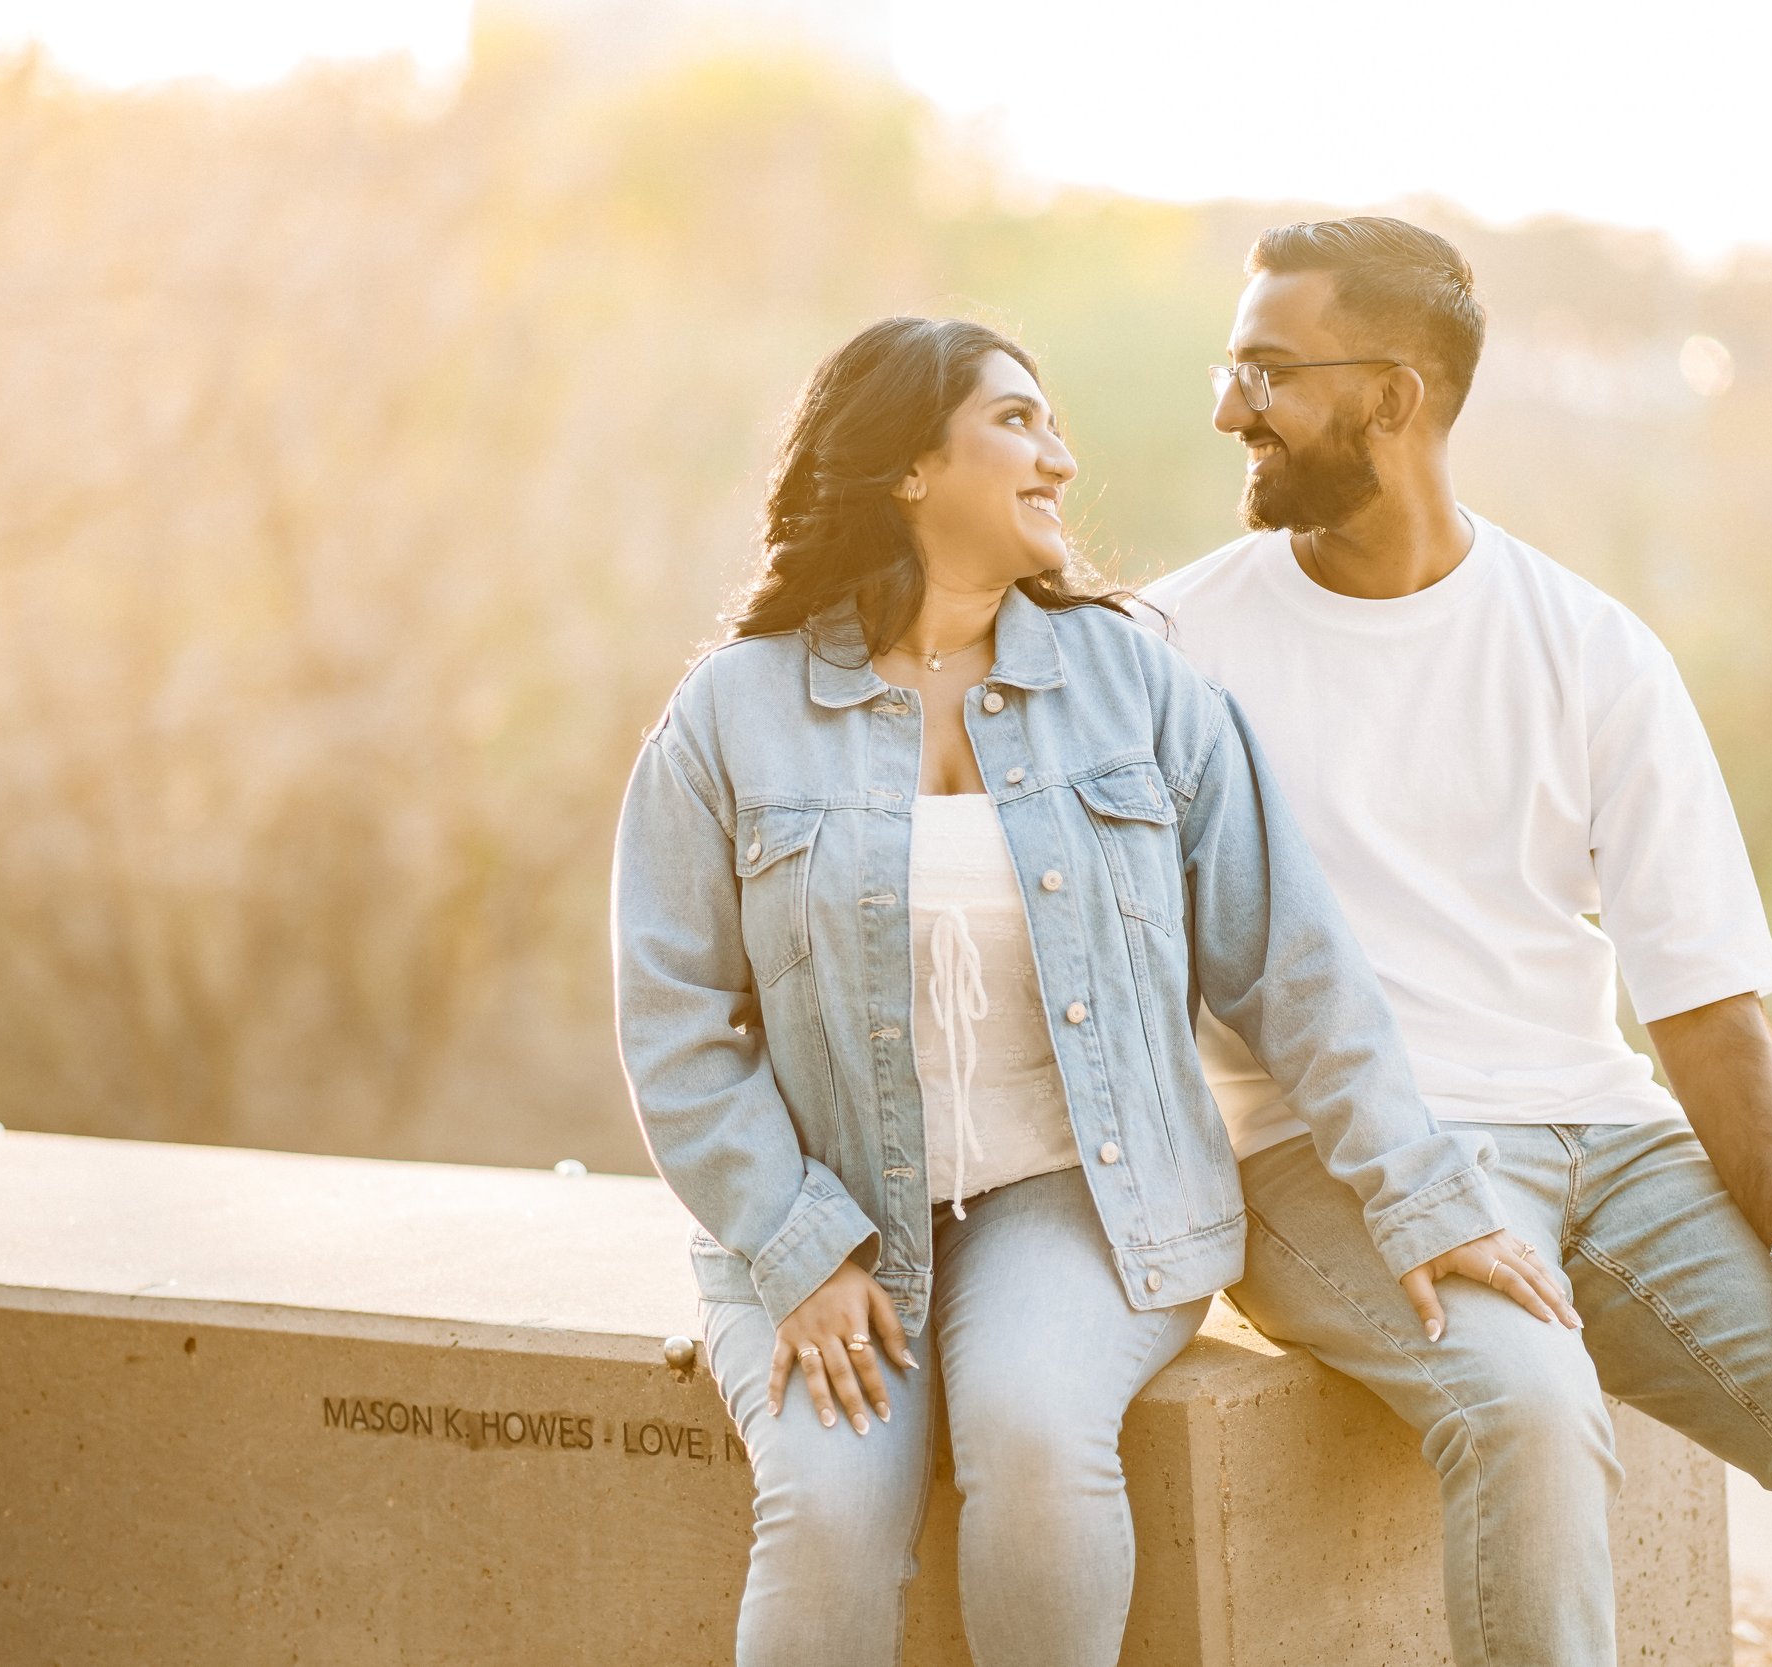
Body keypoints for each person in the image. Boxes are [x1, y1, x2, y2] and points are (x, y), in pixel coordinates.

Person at [611, 316, 1569, 1667]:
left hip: (1081, 1188)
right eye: (1016, 422)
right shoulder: (732, 715)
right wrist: (798, 1246)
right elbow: (677, 1022)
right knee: (829, 1508)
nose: (1061, 456)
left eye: (1053, 422)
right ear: (907, 470)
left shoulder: (1140, 690)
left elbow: (1295, 970)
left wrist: (1418, 1198)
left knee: (1034, 1427)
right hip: (824, 1204)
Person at [1140, 217, 1772, 1666]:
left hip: (1607, 1149)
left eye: (1266, 371)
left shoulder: (1590, 647)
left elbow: (1703, 993)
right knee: (1532, 1412)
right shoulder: (1177, 648)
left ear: (1393, 399)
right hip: (1335, 1156)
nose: (1229, 406)